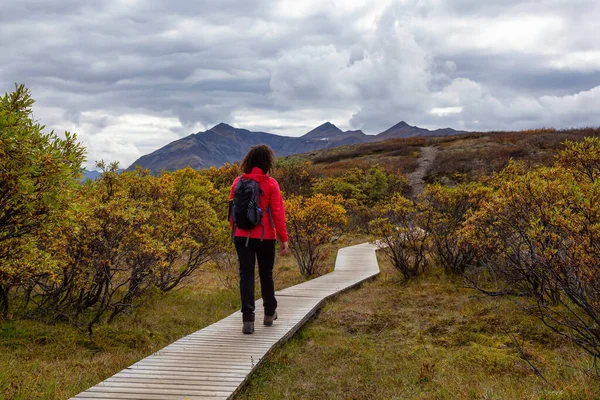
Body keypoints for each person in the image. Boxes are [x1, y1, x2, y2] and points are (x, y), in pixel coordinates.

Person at [229, 144, 289, 334]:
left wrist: (236, 231)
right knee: (266, 274)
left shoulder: (237, 182)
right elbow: (278, 213)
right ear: (266, 162)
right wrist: (284, 239)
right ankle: (269, 314)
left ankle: (248, 320)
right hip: (265, 237)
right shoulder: (271, 184)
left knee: (245, 275)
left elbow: (232, 213)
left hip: (241, 236)